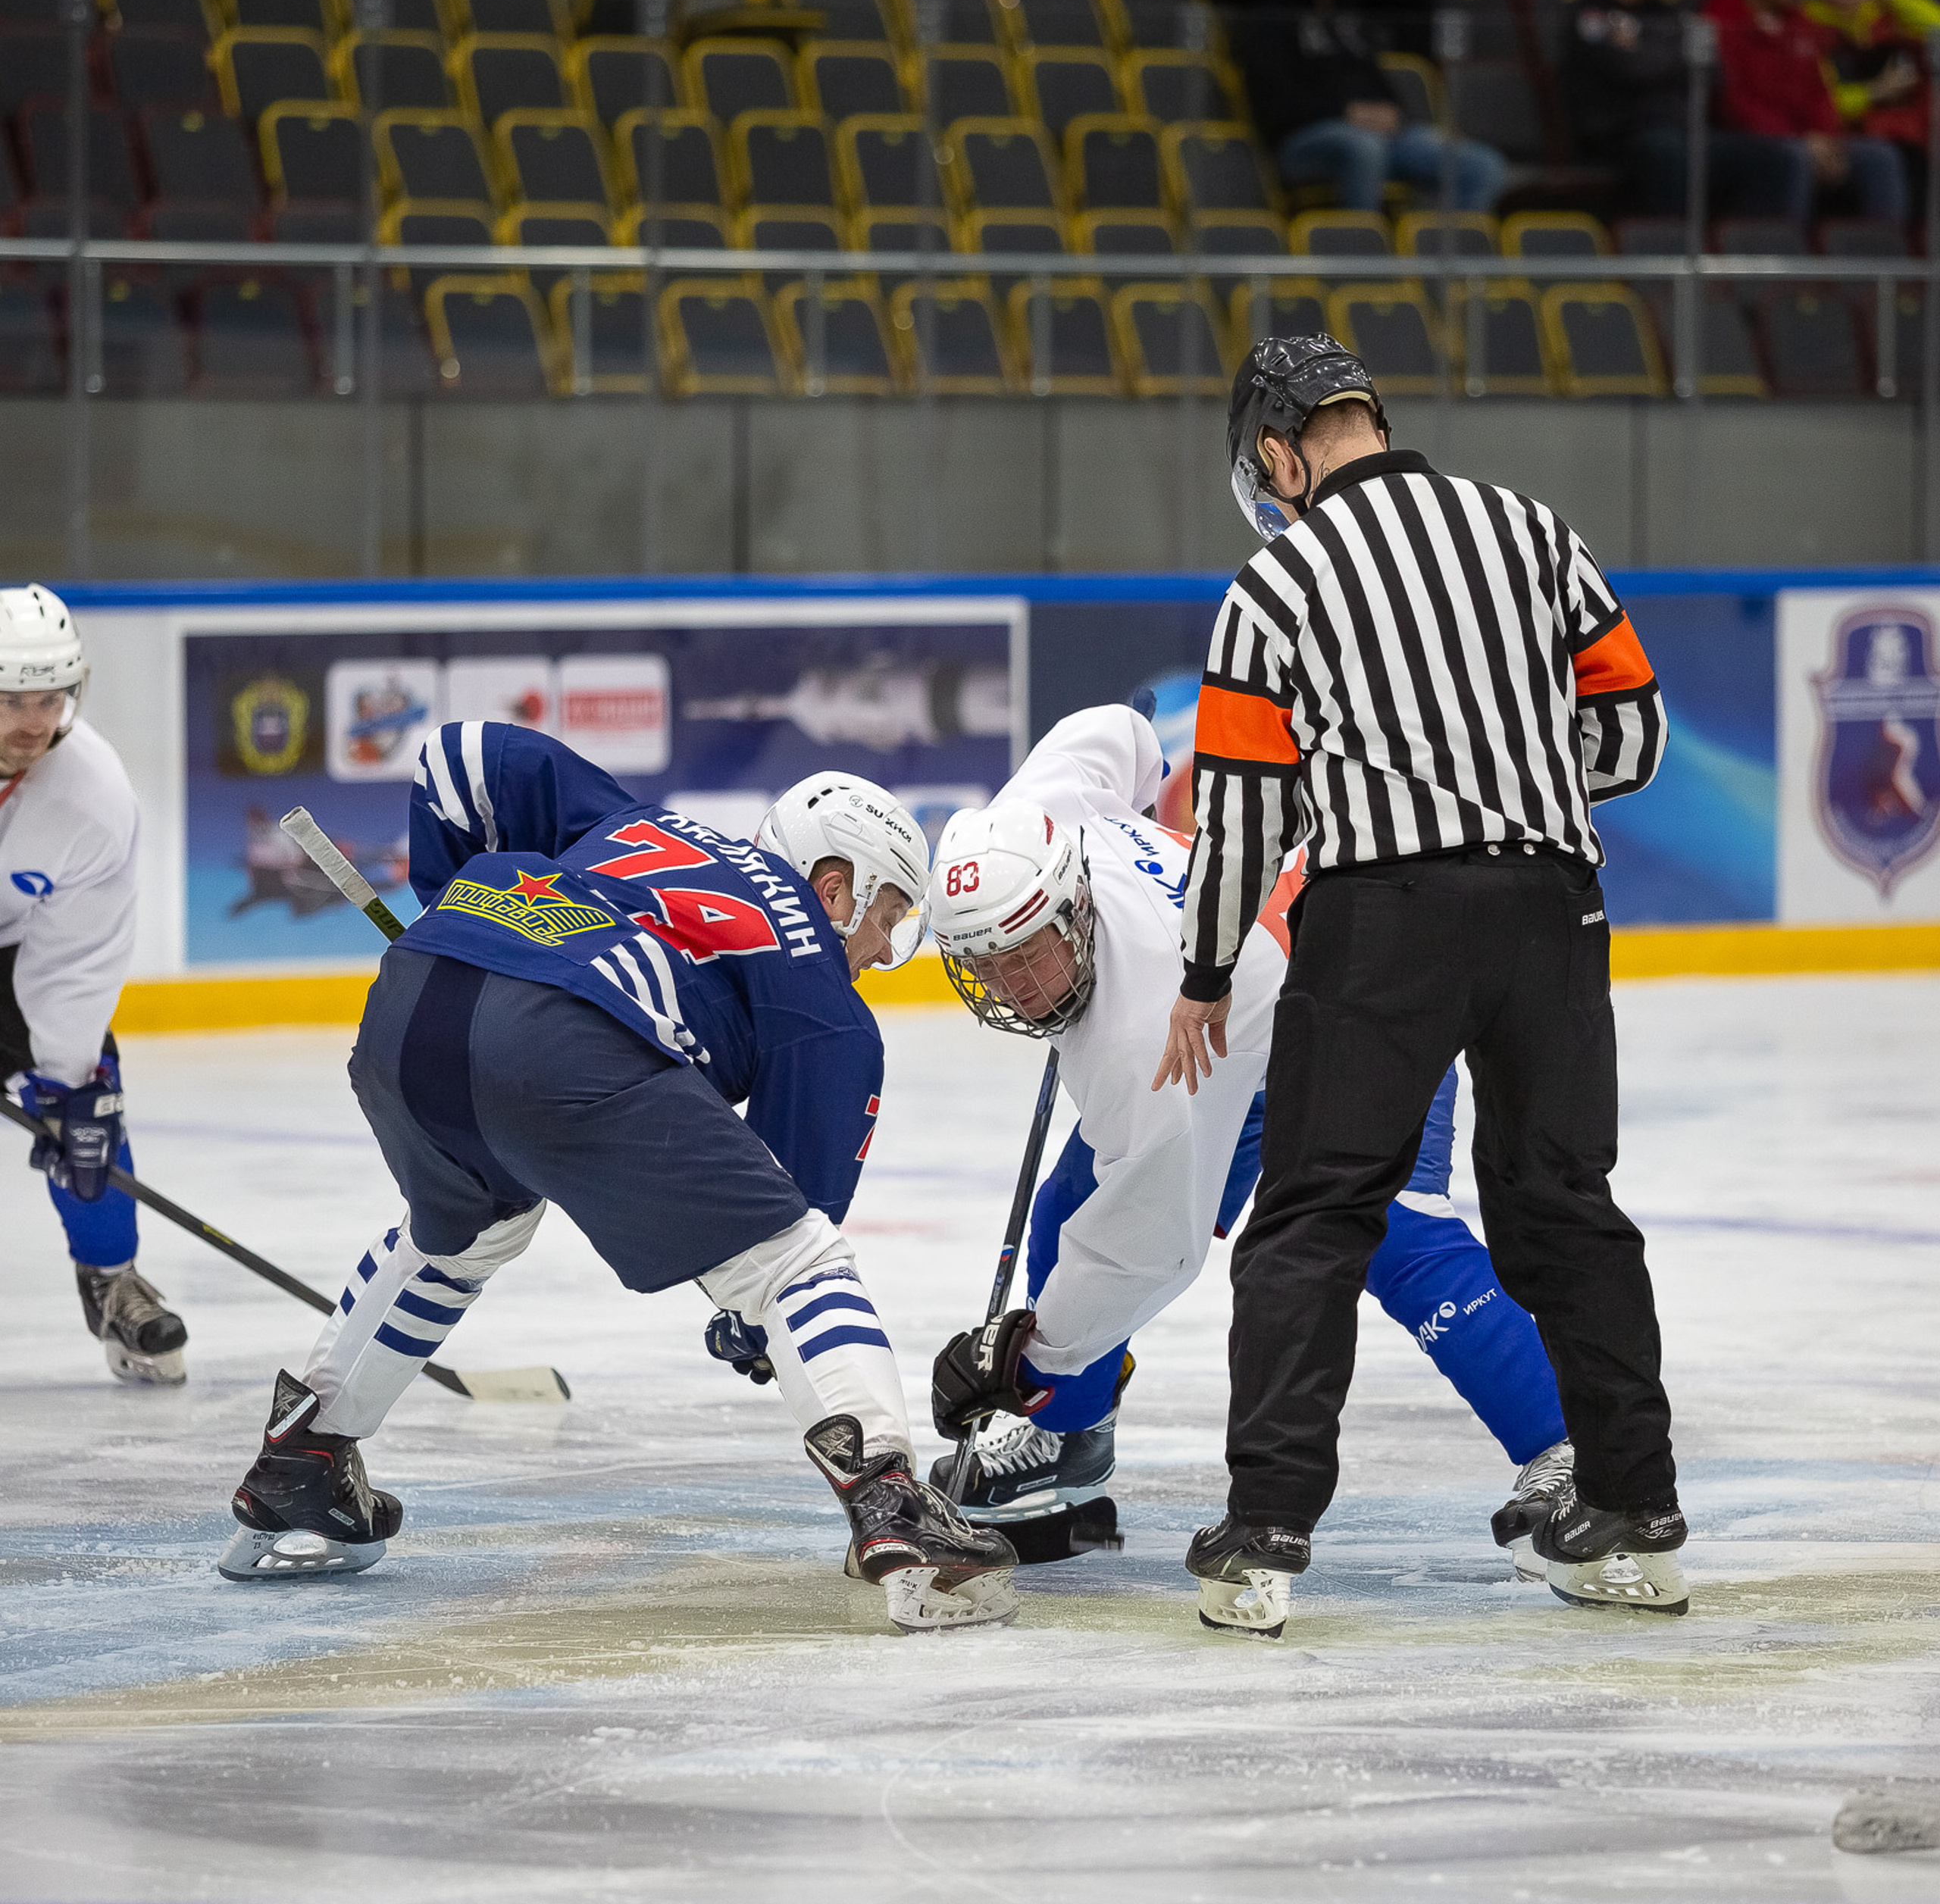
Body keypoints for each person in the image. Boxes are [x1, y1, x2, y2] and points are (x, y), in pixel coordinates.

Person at [217, 721, 1018, 1634]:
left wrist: (450, 909)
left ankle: (303, 1460)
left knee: (467, 1232)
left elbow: (461, 754)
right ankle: (894, 1505)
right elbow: (787, 1233)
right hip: (562, 1036)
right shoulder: (826, 999)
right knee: (797, 1264)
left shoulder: (640, 821)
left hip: (411, 1003)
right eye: (887, 917)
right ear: (835, 885)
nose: (882, 950)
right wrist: (748, 1326)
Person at [1153, 335, 1686, 1634]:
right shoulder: (1531, 529)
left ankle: (1267, 1534)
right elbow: (1634, 731)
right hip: (1556, 905)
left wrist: (1209, 970)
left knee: (1315, 1216)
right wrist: (1516, 784)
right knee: (1566, 1208)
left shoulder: (1277, 580)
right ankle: (1640, 1519)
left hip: (1383, 918)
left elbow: (1241, 819)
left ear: (1283, 449)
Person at [909, 703, 1575, 1605]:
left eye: (1031, 953)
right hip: (1242, 1029)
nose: (1016, 990)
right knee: (1073, 1204)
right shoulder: (1042, 805)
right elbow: (1117, 729)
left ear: (1072, 902)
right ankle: (1067, 1437)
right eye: (986, 964)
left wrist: (1028, 1359)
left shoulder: (1139, 1043)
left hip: (1366, 1000)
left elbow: (1149, 1251)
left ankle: (1570, 1453)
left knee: (1386, 1228)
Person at [0, 584, 185, 1389]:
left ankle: (112, 1278)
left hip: (12, 949)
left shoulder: (93, 796)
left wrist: (63, 1080)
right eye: (10, 699)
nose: (31, 721)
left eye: (49, 698)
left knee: (86, 1105)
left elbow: (76, 960)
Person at [1233, 0, 1508, 214]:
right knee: (1363, 148)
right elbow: (1275, 104)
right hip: (1303, 141)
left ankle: (1439, 255)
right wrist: (1346, 113)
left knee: (1482, 164)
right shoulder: (1269, 20)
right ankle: (1363, 254)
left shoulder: (1349, 19)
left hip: (1379, 136)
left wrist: (1395, 116)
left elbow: (1379, 86)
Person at [1563, 0, 1822, 217]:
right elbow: (1634, 68)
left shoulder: (1676, 10)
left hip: (1686, 132)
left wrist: (1650, 52)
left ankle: (1761, 254)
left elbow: (1713, 68)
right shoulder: (1592, 14)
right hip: (1622, 136)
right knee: (1668, 152)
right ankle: (1670, 251)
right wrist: (1677, 55)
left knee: (1783, 158)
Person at [1705, 0, 1908, 224]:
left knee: (1880, 156)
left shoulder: (1800, 23)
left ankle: (1884, 256)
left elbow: (1820, 92)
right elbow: (1734, 102)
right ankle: (1788, 253)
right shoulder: (1723, 22)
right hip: (1744, 137)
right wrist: (1803, 140)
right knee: (1793, 157)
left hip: (1807, 139)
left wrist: (1827, 137)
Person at [1804, 0, 1937, 186]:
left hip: (1904, 132)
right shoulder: (1807, 26)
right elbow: (1817, 101)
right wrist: (1874, 92)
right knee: (1884, 157)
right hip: (1844, 133)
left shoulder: (1889, 17)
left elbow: (1938, 31)